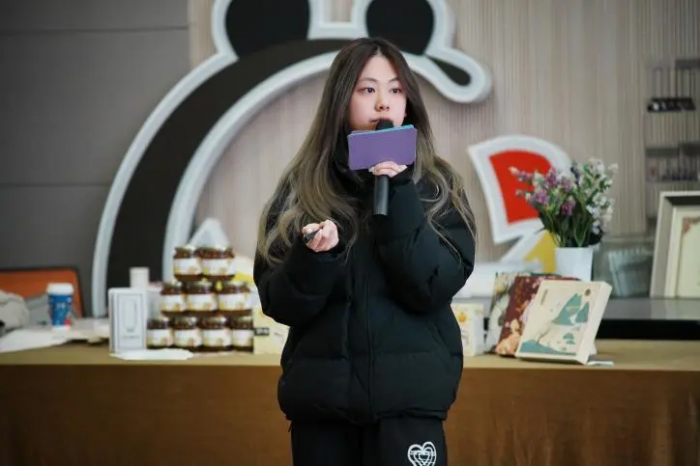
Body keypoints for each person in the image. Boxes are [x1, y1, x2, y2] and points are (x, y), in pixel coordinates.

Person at [253, 37, 476, 466]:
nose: (383, 104)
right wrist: (314, 259)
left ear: (408, 102)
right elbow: (278, 302)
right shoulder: (302, 189)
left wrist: (399, 193)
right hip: (321, 411)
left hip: (408, 407)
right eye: (367, 89)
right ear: (341, 101)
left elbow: (432, 286)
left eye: (396, 90)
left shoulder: (437, 187)